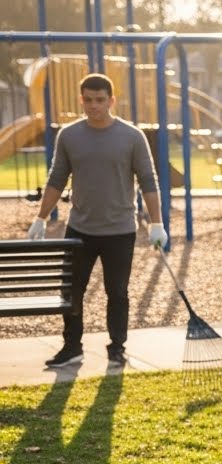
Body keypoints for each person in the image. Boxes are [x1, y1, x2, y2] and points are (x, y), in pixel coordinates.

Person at [28, 72, 167, 369]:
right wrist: (40, 218)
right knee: (71, 291)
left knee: (117, 292)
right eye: (88, 100)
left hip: (120, 231)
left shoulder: (132, 136)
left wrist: (157, 224)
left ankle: (117, 346)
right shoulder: (69, 135)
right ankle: (72, 346)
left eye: (100, 100)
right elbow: (56, 178)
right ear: (81, 100)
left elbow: (148, 181)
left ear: (111, 100)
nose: (94, 106)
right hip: (79, 230)